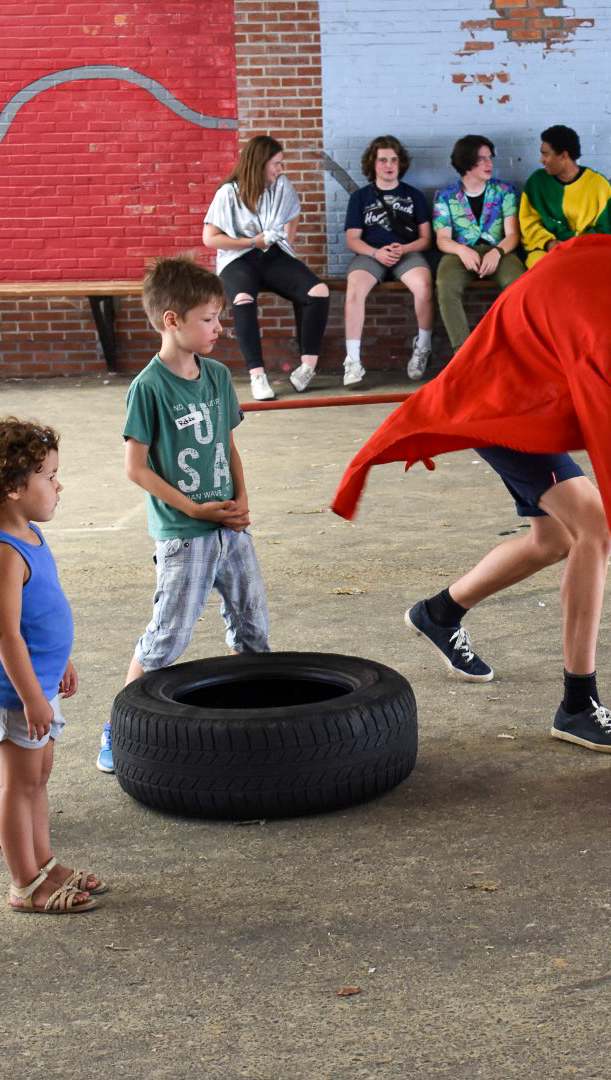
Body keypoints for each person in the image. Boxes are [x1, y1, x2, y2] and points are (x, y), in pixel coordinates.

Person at [332, 237, 611, 752]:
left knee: (553, 540)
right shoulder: (605, 336)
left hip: (531, 382)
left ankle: (439, 614)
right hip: (504, 403)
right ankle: (577, 706)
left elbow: (571, 249)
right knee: (594, 525)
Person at [95, 256, 270, 774]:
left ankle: (253, 720)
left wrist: (242, 502)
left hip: (229, 529)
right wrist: (193, 507)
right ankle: (119, 729)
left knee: (253, 627)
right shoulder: (148, 387)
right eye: (209, 319)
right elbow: (135, 467)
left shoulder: (216, 375)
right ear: (172, 320)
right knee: (167, 637)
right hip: (184, 533)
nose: (220, 328)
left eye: (219, 317)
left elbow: (227, 444)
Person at [0, 419, 101, 912]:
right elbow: (4, 633)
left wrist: (62, 662)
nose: (59, 486)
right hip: (16, 691)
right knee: (18, 787)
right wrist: (33, 696)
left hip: (39, 683)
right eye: (50, 477)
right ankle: (24, 884)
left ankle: (45, 865)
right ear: (14, 487)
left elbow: (42, 613)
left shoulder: (30, 532)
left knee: (39, 779)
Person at [203, 134, 330, 399]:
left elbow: (293, 213)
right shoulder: (229, 193)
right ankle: (257, 375)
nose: (280, 169)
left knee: (318, 292)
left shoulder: (281, 186)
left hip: (272, 255)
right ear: (260, 163)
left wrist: (286, 243)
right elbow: (210, 238)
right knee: (242, 298)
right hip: (237, 258)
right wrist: (252, 241)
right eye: (276, 163)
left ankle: (307, 367)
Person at [342, 135, 434, 386]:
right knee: (354, 290)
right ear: (373, 164)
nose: (389, 165)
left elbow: (426, 239)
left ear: (400, 163)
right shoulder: (360, 198)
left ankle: (422, 348)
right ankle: (353, 361)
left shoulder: (413, 195)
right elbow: (352, 239)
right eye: (382, 160)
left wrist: (404, 248)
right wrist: (375, 253)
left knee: (425, 285)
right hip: (371, 254)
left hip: (407, 252)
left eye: (393, 160)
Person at [433, 135, 524, 350]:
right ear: (466, 162)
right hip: (460, 252)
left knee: (518, 284)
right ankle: (463, 354)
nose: (489, 163)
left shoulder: (505, 191)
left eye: (490, 158)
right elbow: (442, 239)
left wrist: (497, 252)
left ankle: (511, 348)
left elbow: (513, 235)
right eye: (482, 159)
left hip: (500, 252)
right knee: (445, 285)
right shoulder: (446, 196)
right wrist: (461, 250)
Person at [519, 125, 611, 270]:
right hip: (544, 249)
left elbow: (608, 230)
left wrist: (575, 245)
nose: (541, 160)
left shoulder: (599, 185)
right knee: (543, 267)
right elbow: (528, 223)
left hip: (587, 250)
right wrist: (549, 243)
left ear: (564, 156)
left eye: (546, 154)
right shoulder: (536, 182)